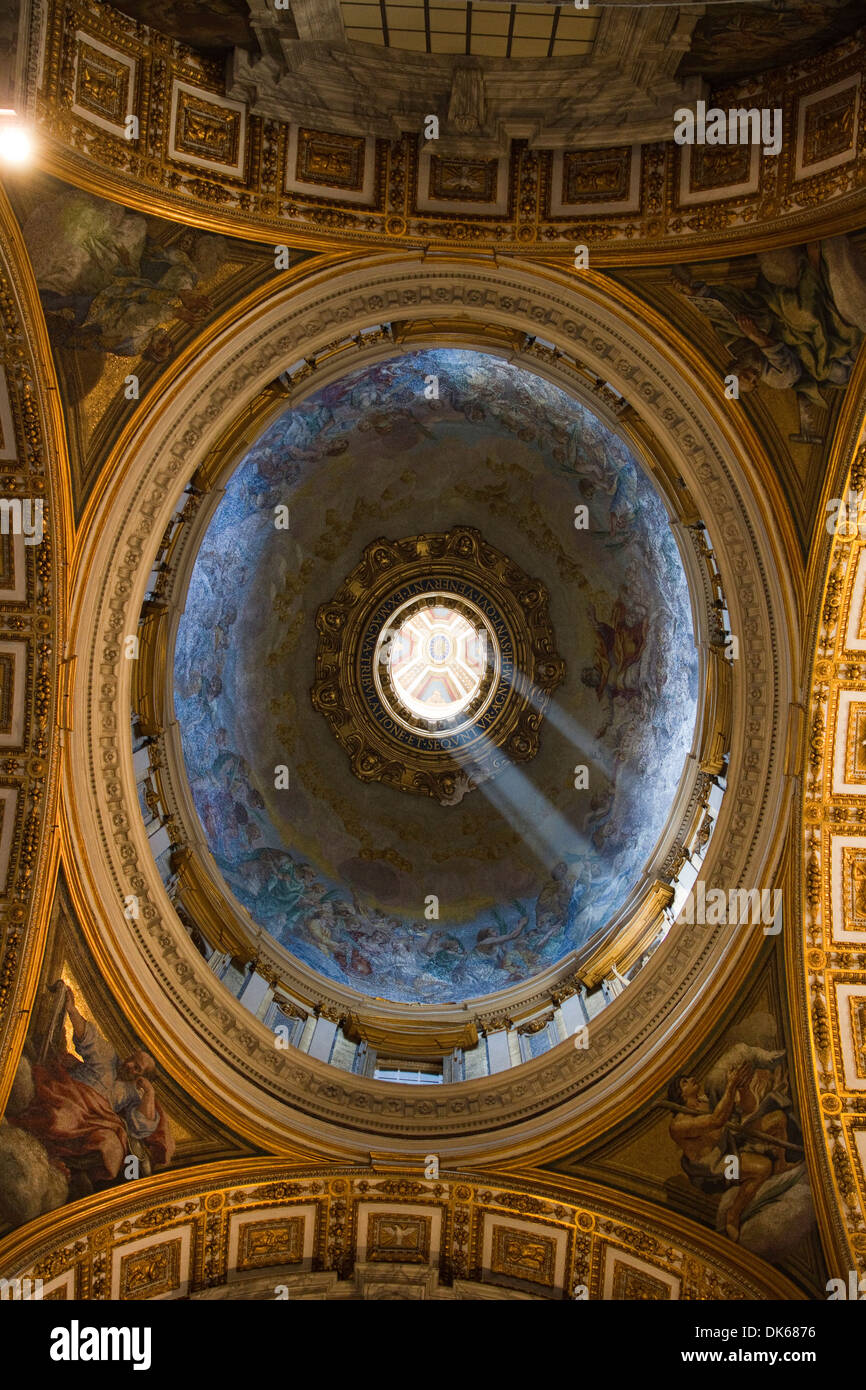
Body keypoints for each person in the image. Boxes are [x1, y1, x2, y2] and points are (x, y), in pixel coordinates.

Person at [16, 987, 174, 1189]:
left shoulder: (134, 1093)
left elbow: (140, 1127)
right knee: (65, 1116)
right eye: (132, 1059)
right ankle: (44, 1147)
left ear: (141, 1077)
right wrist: (72, 1011)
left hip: (96, 1118)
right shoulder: (108, 1055)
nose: (129, 1065)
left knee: (111, 1147)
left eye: (137, 1068)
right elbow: (88, 1039)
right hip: (70, 1093)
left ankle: (80, 1176)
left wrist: (149, 1094)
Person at [668, 1063, 773, 1241]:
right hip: (716, 1168)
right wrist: (730, 1086)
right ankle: (733, 1214)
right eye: (685, 1082)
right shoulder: (679, 1124)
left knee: (775, 1121)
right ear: (679, 1094)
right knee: (763, 1168)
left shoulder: (703, 1101)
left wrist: (743, 1087)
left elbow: (747, 1108)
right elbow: (717, 1120)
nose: (692, 1079)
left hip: (729, 1145)